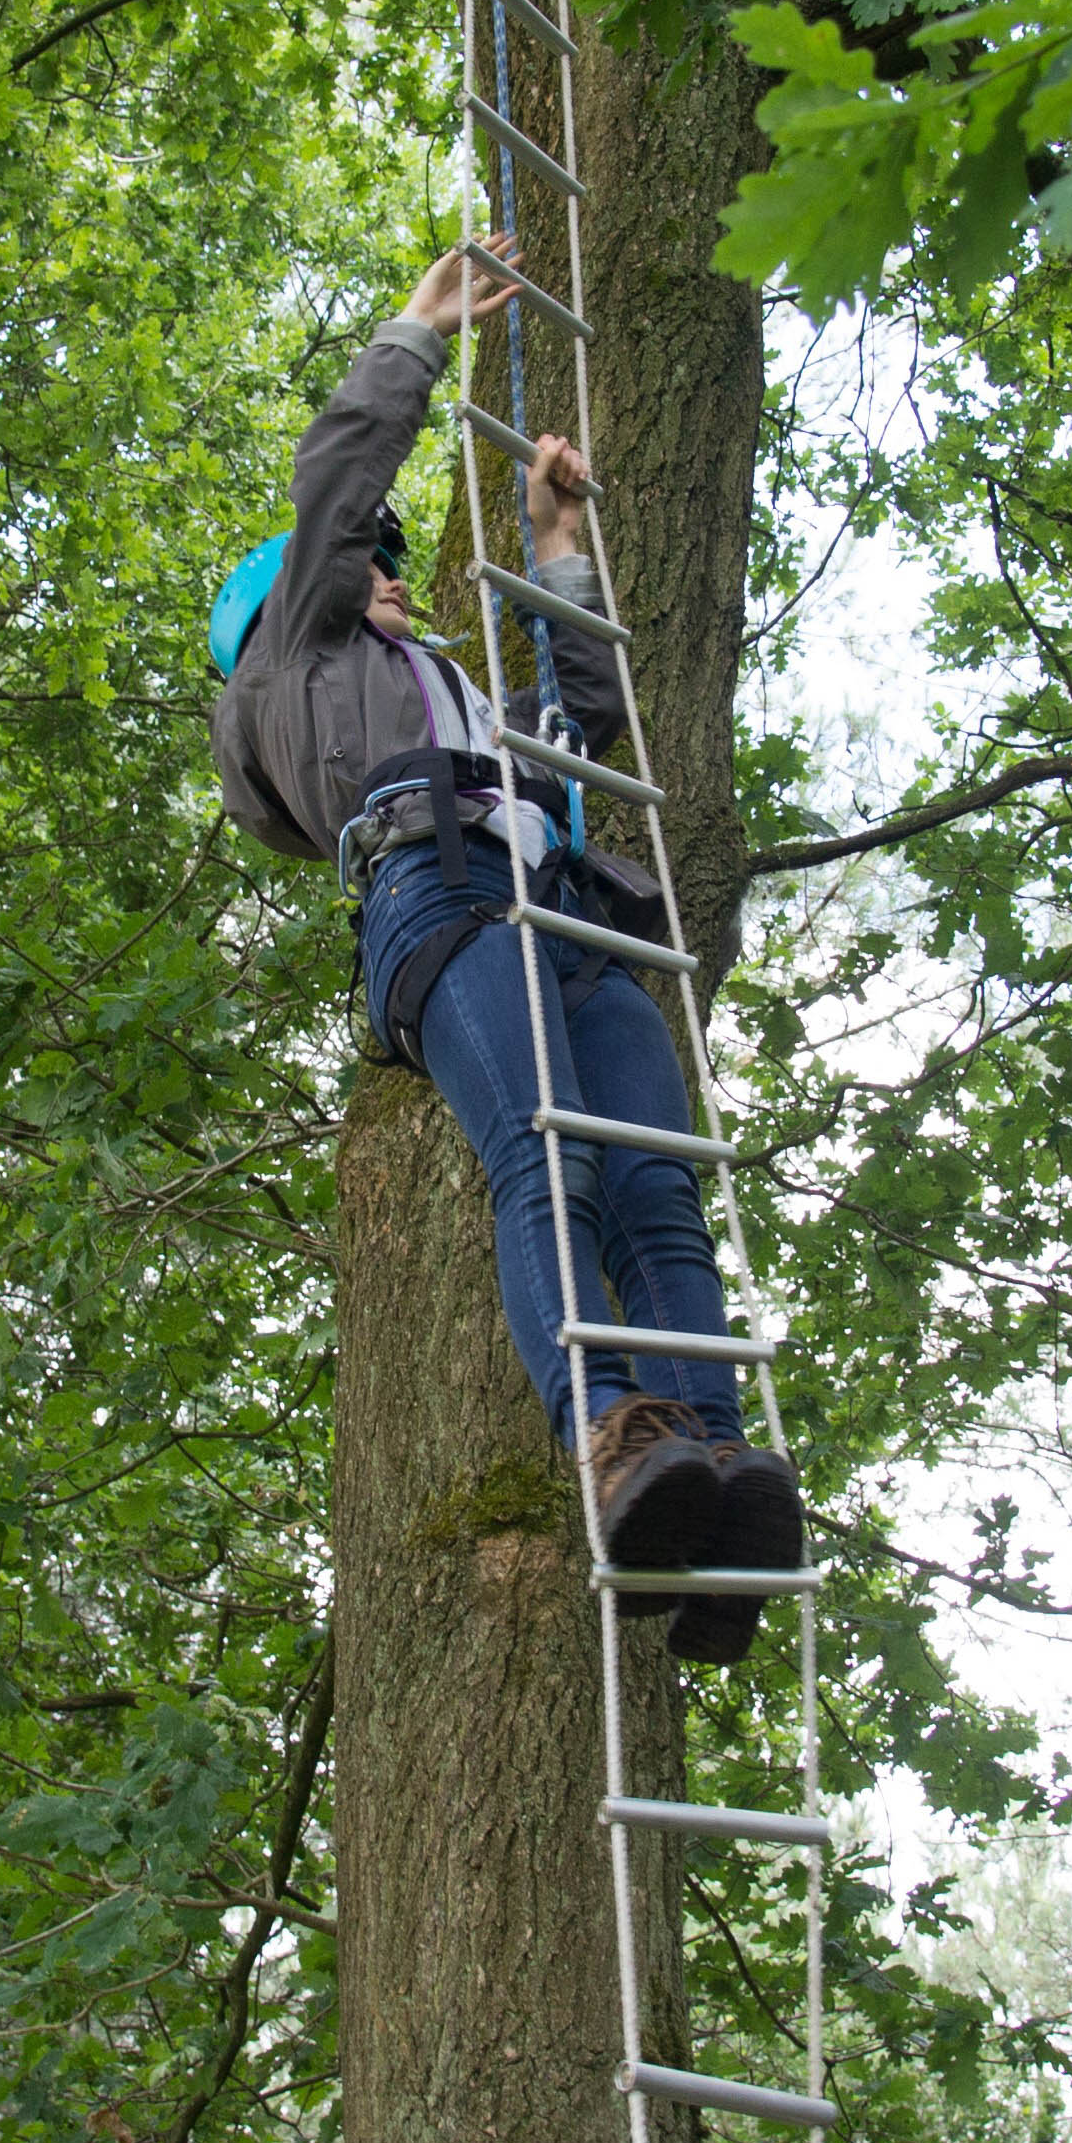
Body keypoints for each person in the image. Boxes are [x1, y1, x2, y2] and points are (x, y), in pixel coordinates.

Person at [210, 235, 803, 1664]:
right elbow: (336, 493)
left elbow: (584, 711)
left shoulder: (458, 705)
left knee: (658, 1194)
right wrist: (417, 337)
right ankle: (611, 1444)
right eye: (378, 573)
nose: (400, 582)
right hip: (445, 901)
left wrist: (555, 544)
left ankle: (706, 1477)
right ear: (283, 605)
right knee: (552, 1159)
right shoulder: (295, 669)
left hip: (568, 918)